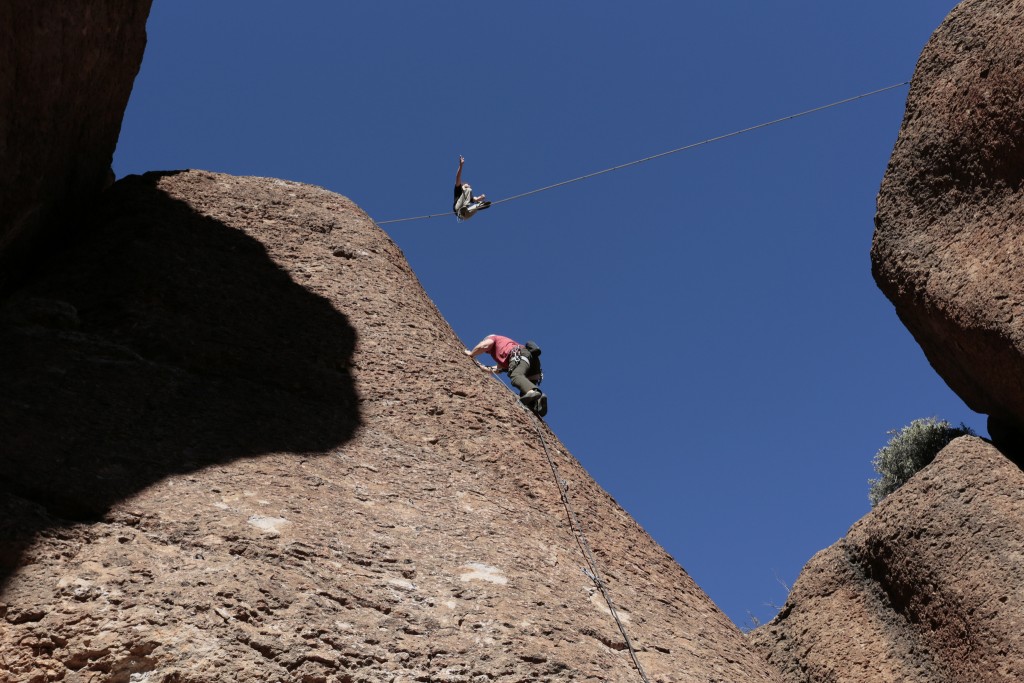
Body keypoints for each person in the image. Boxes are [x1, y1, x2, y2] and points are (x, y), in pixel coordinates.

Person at [465, 334, 547, 416]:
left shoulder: (493, 338)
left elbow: (484, 346)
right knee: (526, 396)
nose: (487, 352)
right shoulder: (503, 348)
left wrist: (471, 354)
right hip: (533, 365)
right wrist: (482, 368)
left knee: (516, 376)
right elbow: (497, 369)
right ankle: (538, 402)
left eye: (487, 351)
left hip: (522, 355)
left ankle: (533, 391)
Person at [453, 155, 492, 220]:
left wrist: (481, 197)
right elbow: (458, 177)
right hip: (458, 208)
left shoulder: (468, 198)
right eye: (467, 185)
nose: (469, 186)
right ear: (463, 185)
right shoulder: (458, 188)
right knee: (468, 190)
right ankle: (464, 208)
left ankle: (480, 205)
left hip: (464, 215)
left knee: (476, 206)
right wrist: (461, 165)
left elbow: (475, 199)